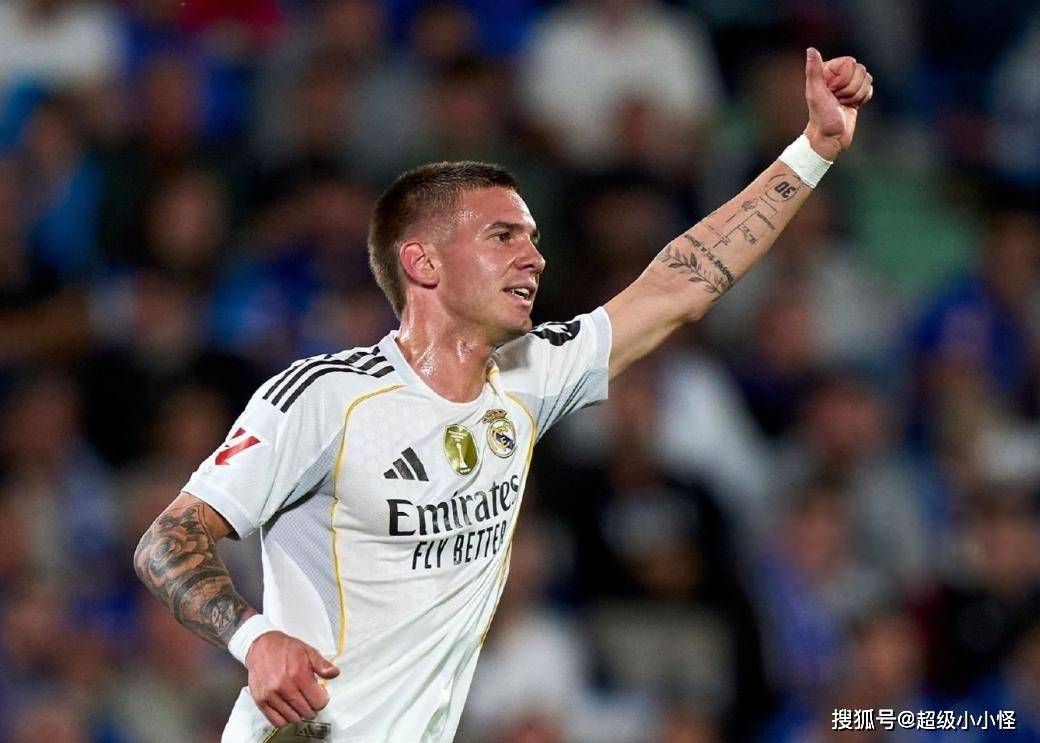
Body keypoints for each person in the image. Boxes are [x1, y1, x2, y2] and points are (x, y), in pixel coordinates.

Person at [134, 48, 873, 742]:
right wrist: (256, 638)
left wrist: (812, 150)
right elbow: (167, 540)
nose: (535, 258)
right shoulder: (326, 399)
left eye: (534, 238)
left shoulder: (529, 375)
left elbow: (680, 283)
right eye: (503, 237)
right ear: (422, 262)